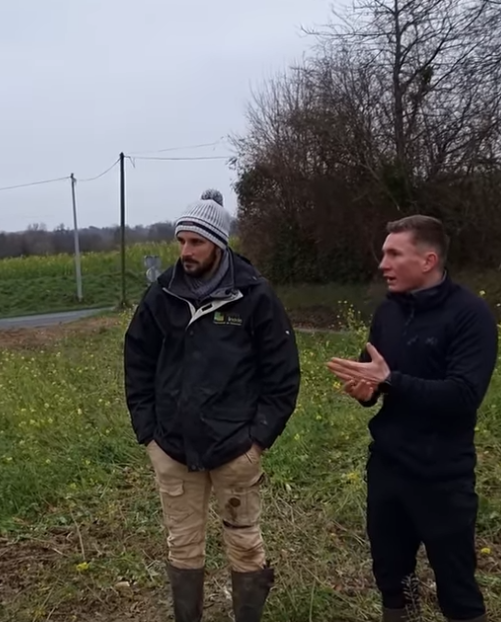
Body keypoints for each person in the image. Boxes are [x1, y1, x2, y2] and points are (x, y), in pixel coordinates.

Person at [123, 189, 302, 622]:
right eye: (181, 241)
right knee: (182, 544)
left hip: (235, 450)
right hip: (173, 448)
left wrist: (257, 441)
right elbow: (137, 361)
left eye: (195, 242)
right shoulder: (162, 293)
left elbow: (282, 376)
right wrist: (149, 435)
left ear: (218, 243)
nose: (185, 250)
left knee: (244, 542)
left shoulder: (254, 295)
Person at [325, 215, 497, 622]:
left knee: (456, 585)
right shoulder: (389, 312)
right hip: (388, 467)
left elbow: (463, 395)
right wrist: (369, 391)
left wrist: (391, 380)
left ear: (428, 260)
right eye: (384, 253)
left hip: (442, 474)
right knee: (392, 577)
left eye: (393, 254)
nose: (382, 263)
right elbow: (377, 377)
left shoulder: (470, 315)